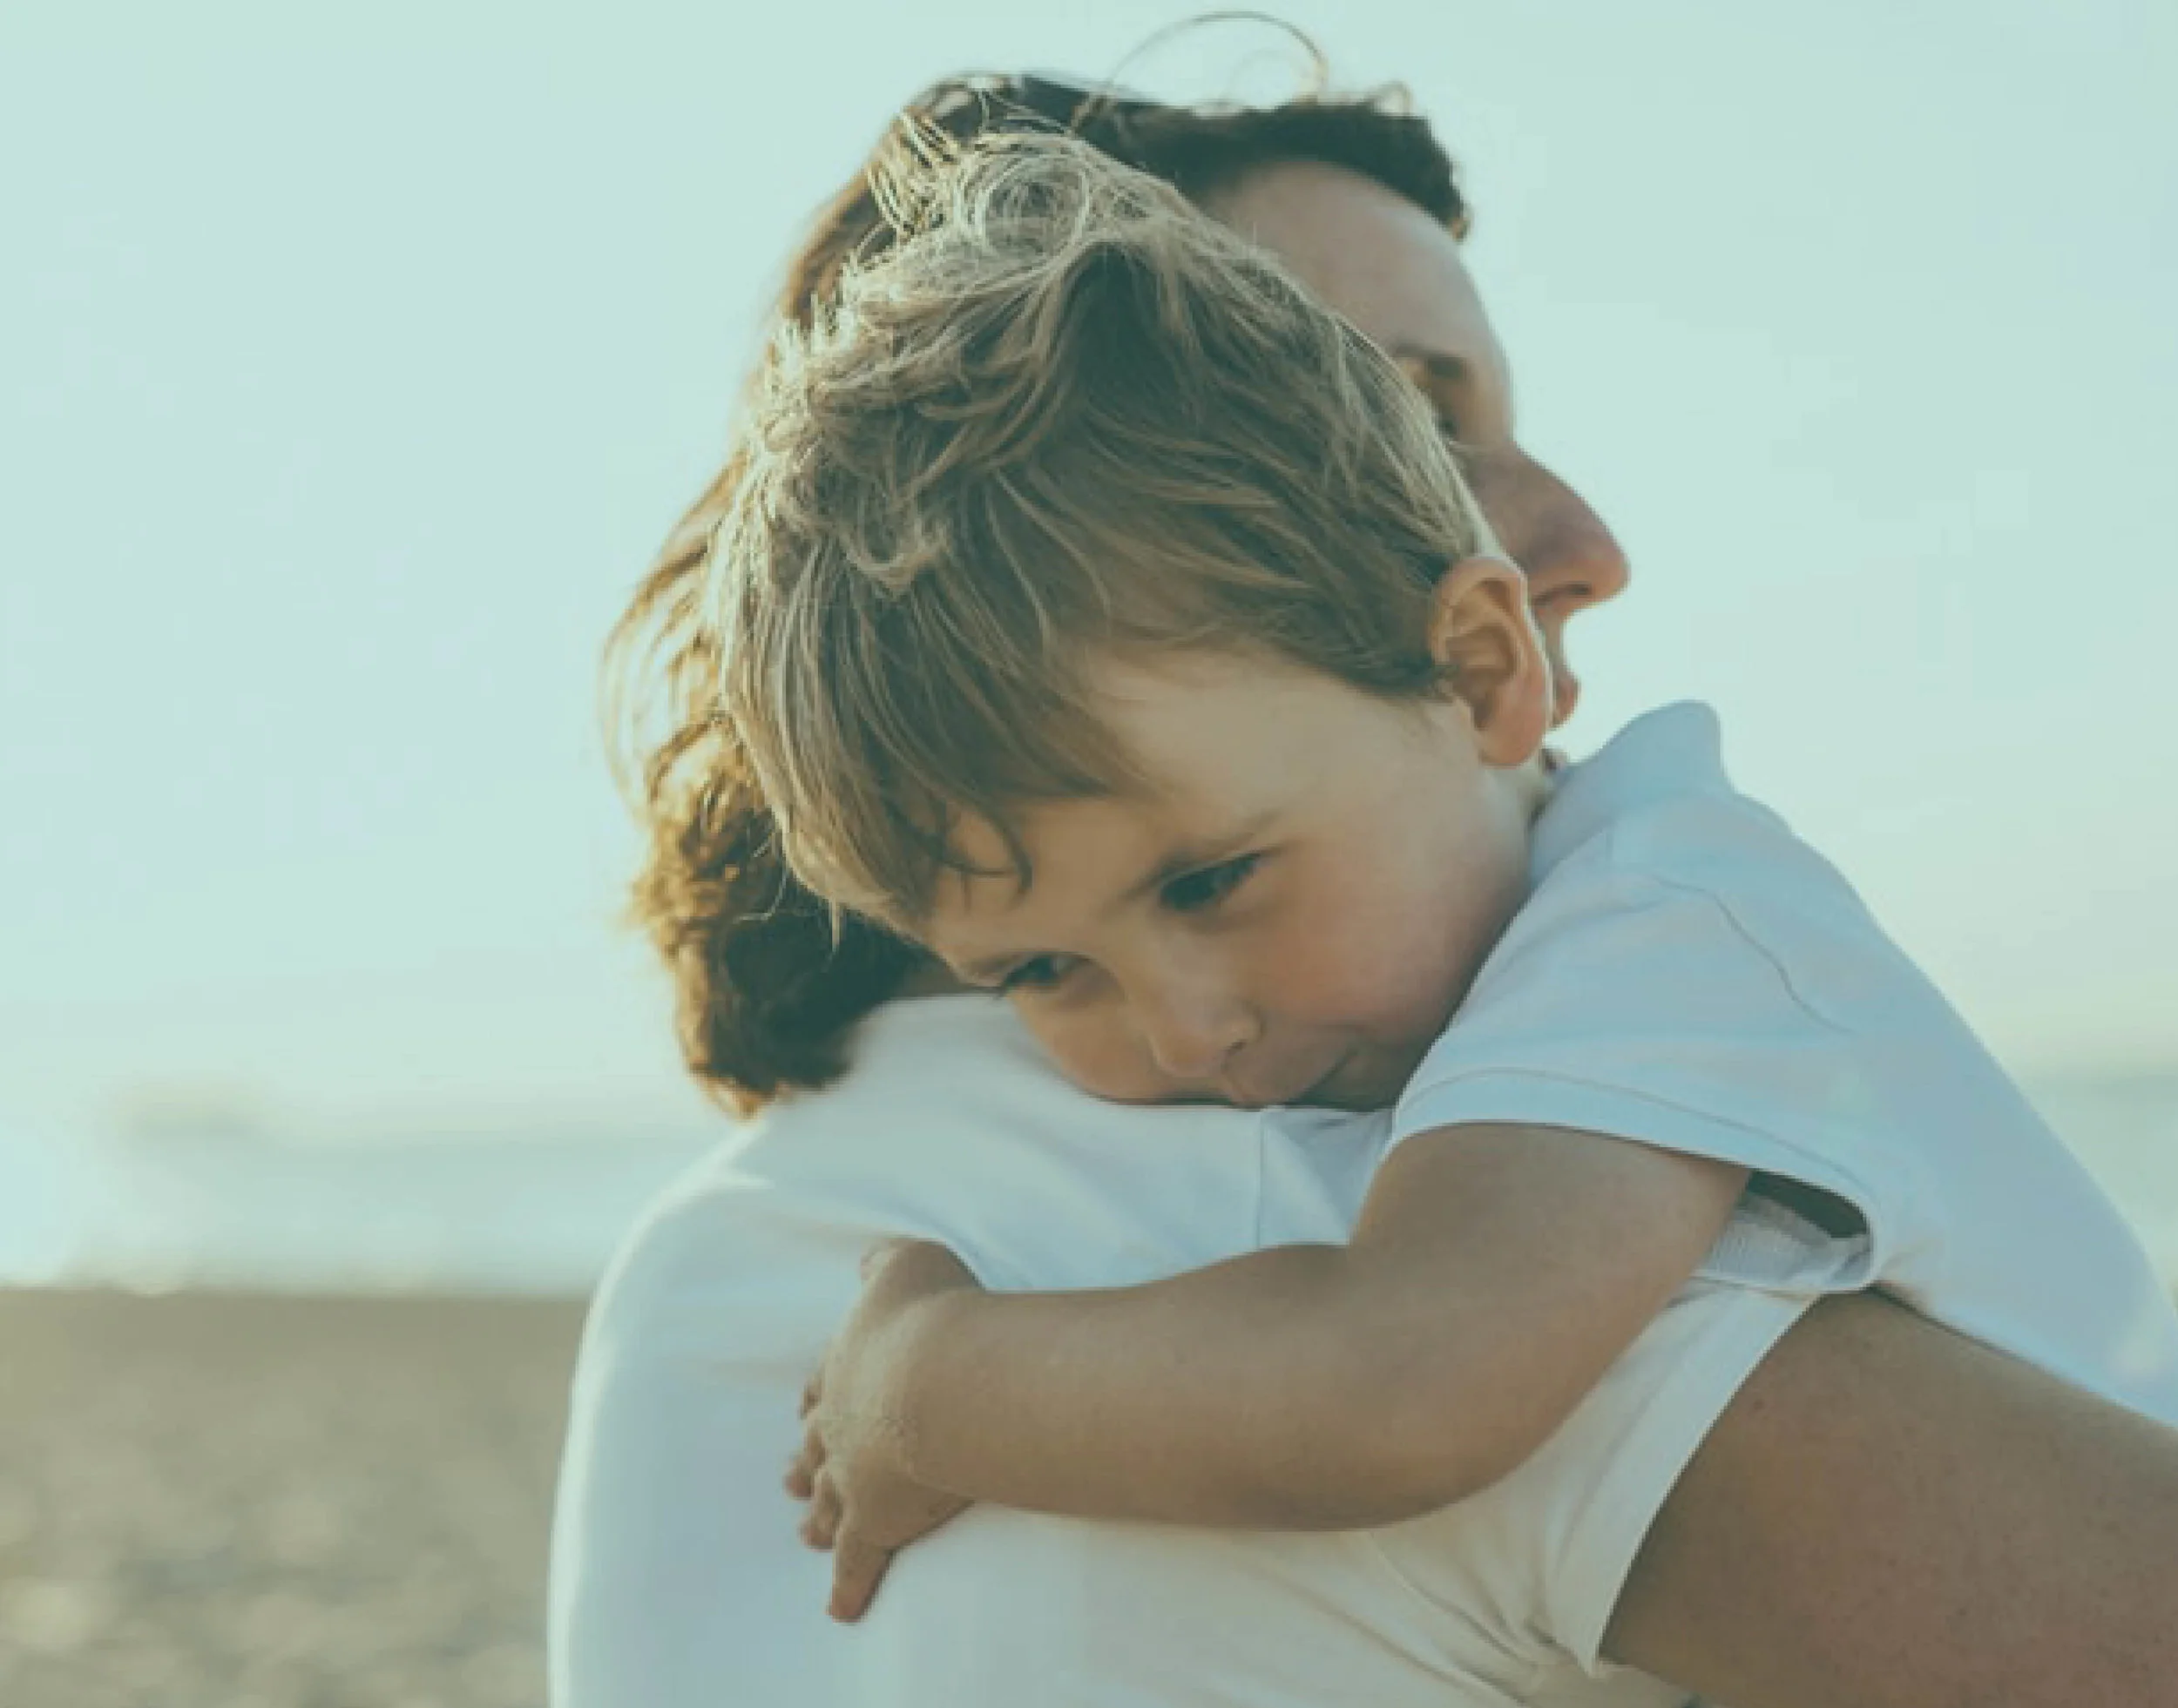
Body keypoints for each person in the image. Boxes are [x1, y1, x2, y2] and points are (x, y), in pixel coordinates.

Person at [551, 65, 2178, 1708]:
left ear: (1472, 675)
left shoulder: (1655, 922)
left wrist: (923, 1381)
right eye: (1404, 408)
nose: (1181, 1030)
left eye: (1214, 879)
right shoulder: (1276, 1191)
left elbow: (1401, 1367)